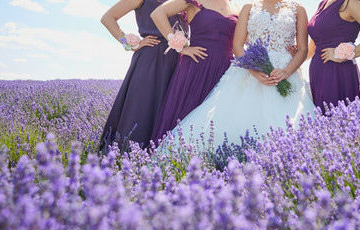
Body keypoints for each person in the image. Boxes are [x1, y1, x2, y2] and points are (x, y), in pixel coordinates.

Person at [157, 0, 315, 150]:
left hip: (285, 70)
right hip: (246, 71)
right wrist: (253, 69)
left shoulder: (298, 9)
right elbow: (238, 45)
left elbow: (302, 49)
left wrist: (286, 71)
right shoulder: (248, 7)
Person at [150, 0, 239, 143]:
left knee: (216, 120)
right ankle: (174, 159)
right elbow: (158, 13)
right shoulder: (195, 1)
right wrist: (180, 46)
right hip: (196, 66)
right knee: (185, 114)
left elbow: (239, 42)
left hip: (225, 70)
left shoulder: (237, 7)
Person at [99, 0, 181, 150]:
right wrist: (130, 44)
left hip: (178, 60)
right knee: (142, 107)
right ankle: (128, 155)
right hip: (151, 58)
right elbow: (108, 18)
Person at [307, 0, 360, 113]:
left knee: (338, 121)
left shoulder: (350, 3)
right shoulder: (323, 3)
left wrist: (345, 55)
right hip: (318, 71)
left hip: (337, 72)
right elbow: (312, 47)